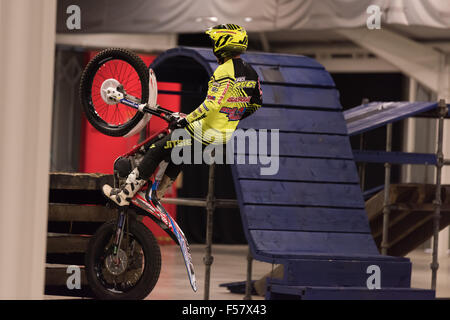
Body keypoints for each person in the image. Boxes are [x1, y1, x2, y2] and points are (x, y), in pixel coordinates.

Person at [102, 23, 263, 208]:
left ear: (223, 43)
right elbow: (256, 103)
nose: (213, 48)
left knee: (156, 150)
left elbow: (211, 104)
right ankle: (156, 196)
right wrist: (231, 117)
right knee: (178, 155)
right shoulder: (251, 72)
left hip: (202, 131)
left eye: (215, 42)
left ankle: (125, 194)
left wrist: (187, 119)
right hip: (220, 135)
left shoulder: (224, 70)